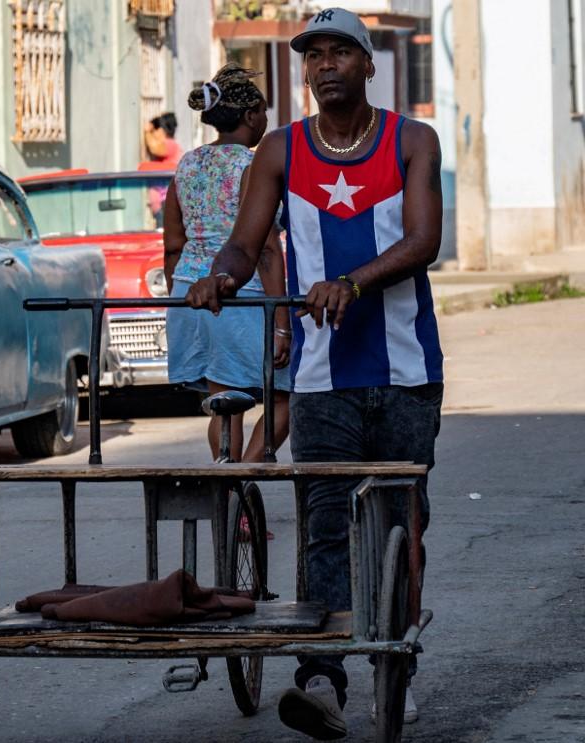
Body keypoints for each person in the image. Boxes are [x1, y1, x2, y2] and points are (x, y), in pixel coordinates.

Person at [186, 8, 444, 740]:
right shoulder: (279, 150)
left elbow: (425, 239)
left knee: (403, 521)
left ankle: (397, 661)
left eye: (341, 53)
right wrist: (223, 275)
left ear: (368, 65)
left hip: (405, 370)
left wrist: (352, 282)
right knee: (325, 524)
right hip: (321, 376)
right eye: (314, 56)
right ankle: (320, 677)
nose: (325, 65)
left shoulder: (410, 140)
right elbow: (245, 242)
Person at [163, 64, 291, 463]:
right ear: (251, 115)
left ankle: (231, 500)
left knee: (225, 401)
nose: (266, 122)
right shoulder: (251, 167)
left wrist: (179, 297)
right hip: (242, 293)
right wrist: (282, 324)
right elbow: (267, 249)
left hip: (191, 291)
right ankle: (243, 489)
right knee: (287, 395)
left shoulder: (187, 165)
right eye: (264, 113)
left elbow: (172, 245)